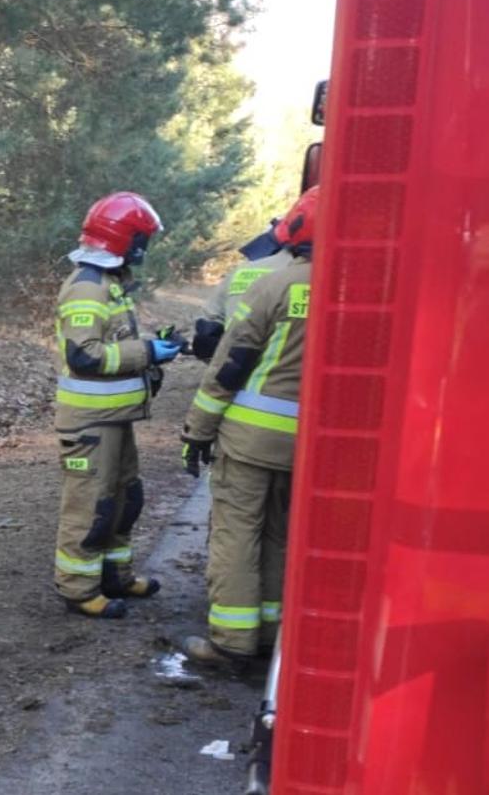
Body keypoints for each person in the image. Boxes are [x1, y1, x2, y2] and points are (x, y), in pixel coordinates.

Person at [178, 186, 319, 667]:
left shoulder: (271, 285)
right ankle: (271, 634)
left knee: (237, 531)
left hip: (250, 439)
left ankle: (231, 641)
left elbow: (230, 366)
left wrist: (198, 430)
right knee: (280, 532)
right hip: (310, 446)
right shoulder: (360, 288)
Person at [51, 191, 183, 619]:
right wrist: (146, 352)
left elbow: (114, 344)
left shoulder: (109, 282)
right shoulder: (87, 287)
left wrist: (154, 346)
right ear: (127, 239)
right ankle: (78, 589)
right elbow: (86, 355)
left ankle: (115, 576)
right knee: (92, 506)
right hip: (90, 424)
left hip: (114, 419)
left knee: (126, 499)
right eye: (142, 239)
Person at [191, 216, 297, 362]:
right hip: (282, 371)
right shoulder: (309, 274)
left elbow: (207, 330)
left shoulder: (241, 270)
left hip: (233, 367)